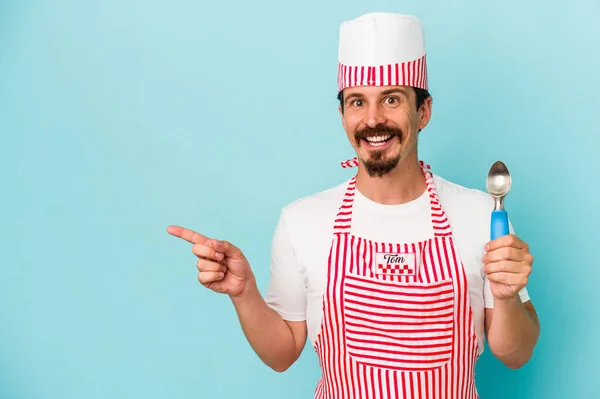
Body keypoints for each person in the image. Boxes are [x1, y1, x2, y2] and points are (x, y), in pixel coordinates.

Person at [167, 12, 540, 398]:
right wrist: (244, 293)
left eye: (392, 99)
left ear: (423, 111)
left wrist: (508, 295)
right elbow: (282, 353)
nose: (373, 119)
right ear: (343, 115)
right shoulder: (302, 221)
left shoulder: (483, 216)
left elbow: (516, 353)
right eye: (357, 102)